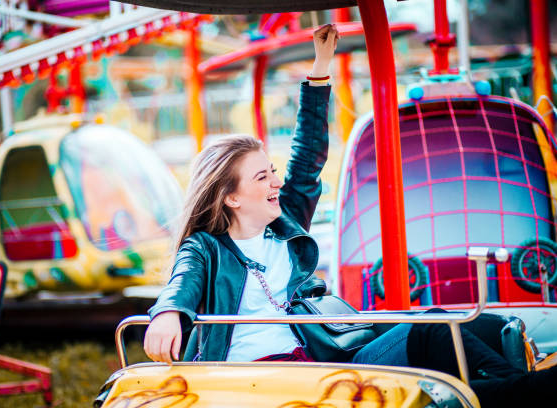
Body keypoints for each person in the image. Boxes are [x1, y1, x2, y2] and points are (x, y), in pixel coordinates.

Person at [144, 24, 556, 408]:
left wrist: (320, 71)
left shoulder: (284, 228)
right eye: (262, 175)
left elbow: (307, 159)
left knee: (478, 326)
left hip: (317, 357)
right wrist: (166, 314)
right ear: (231, 198)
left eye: (272, 170)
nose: (276, 181)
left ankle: (511, 391)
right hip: (271, 377)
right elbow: (182, 281)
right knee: (432, 330)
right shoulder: (206, 248)